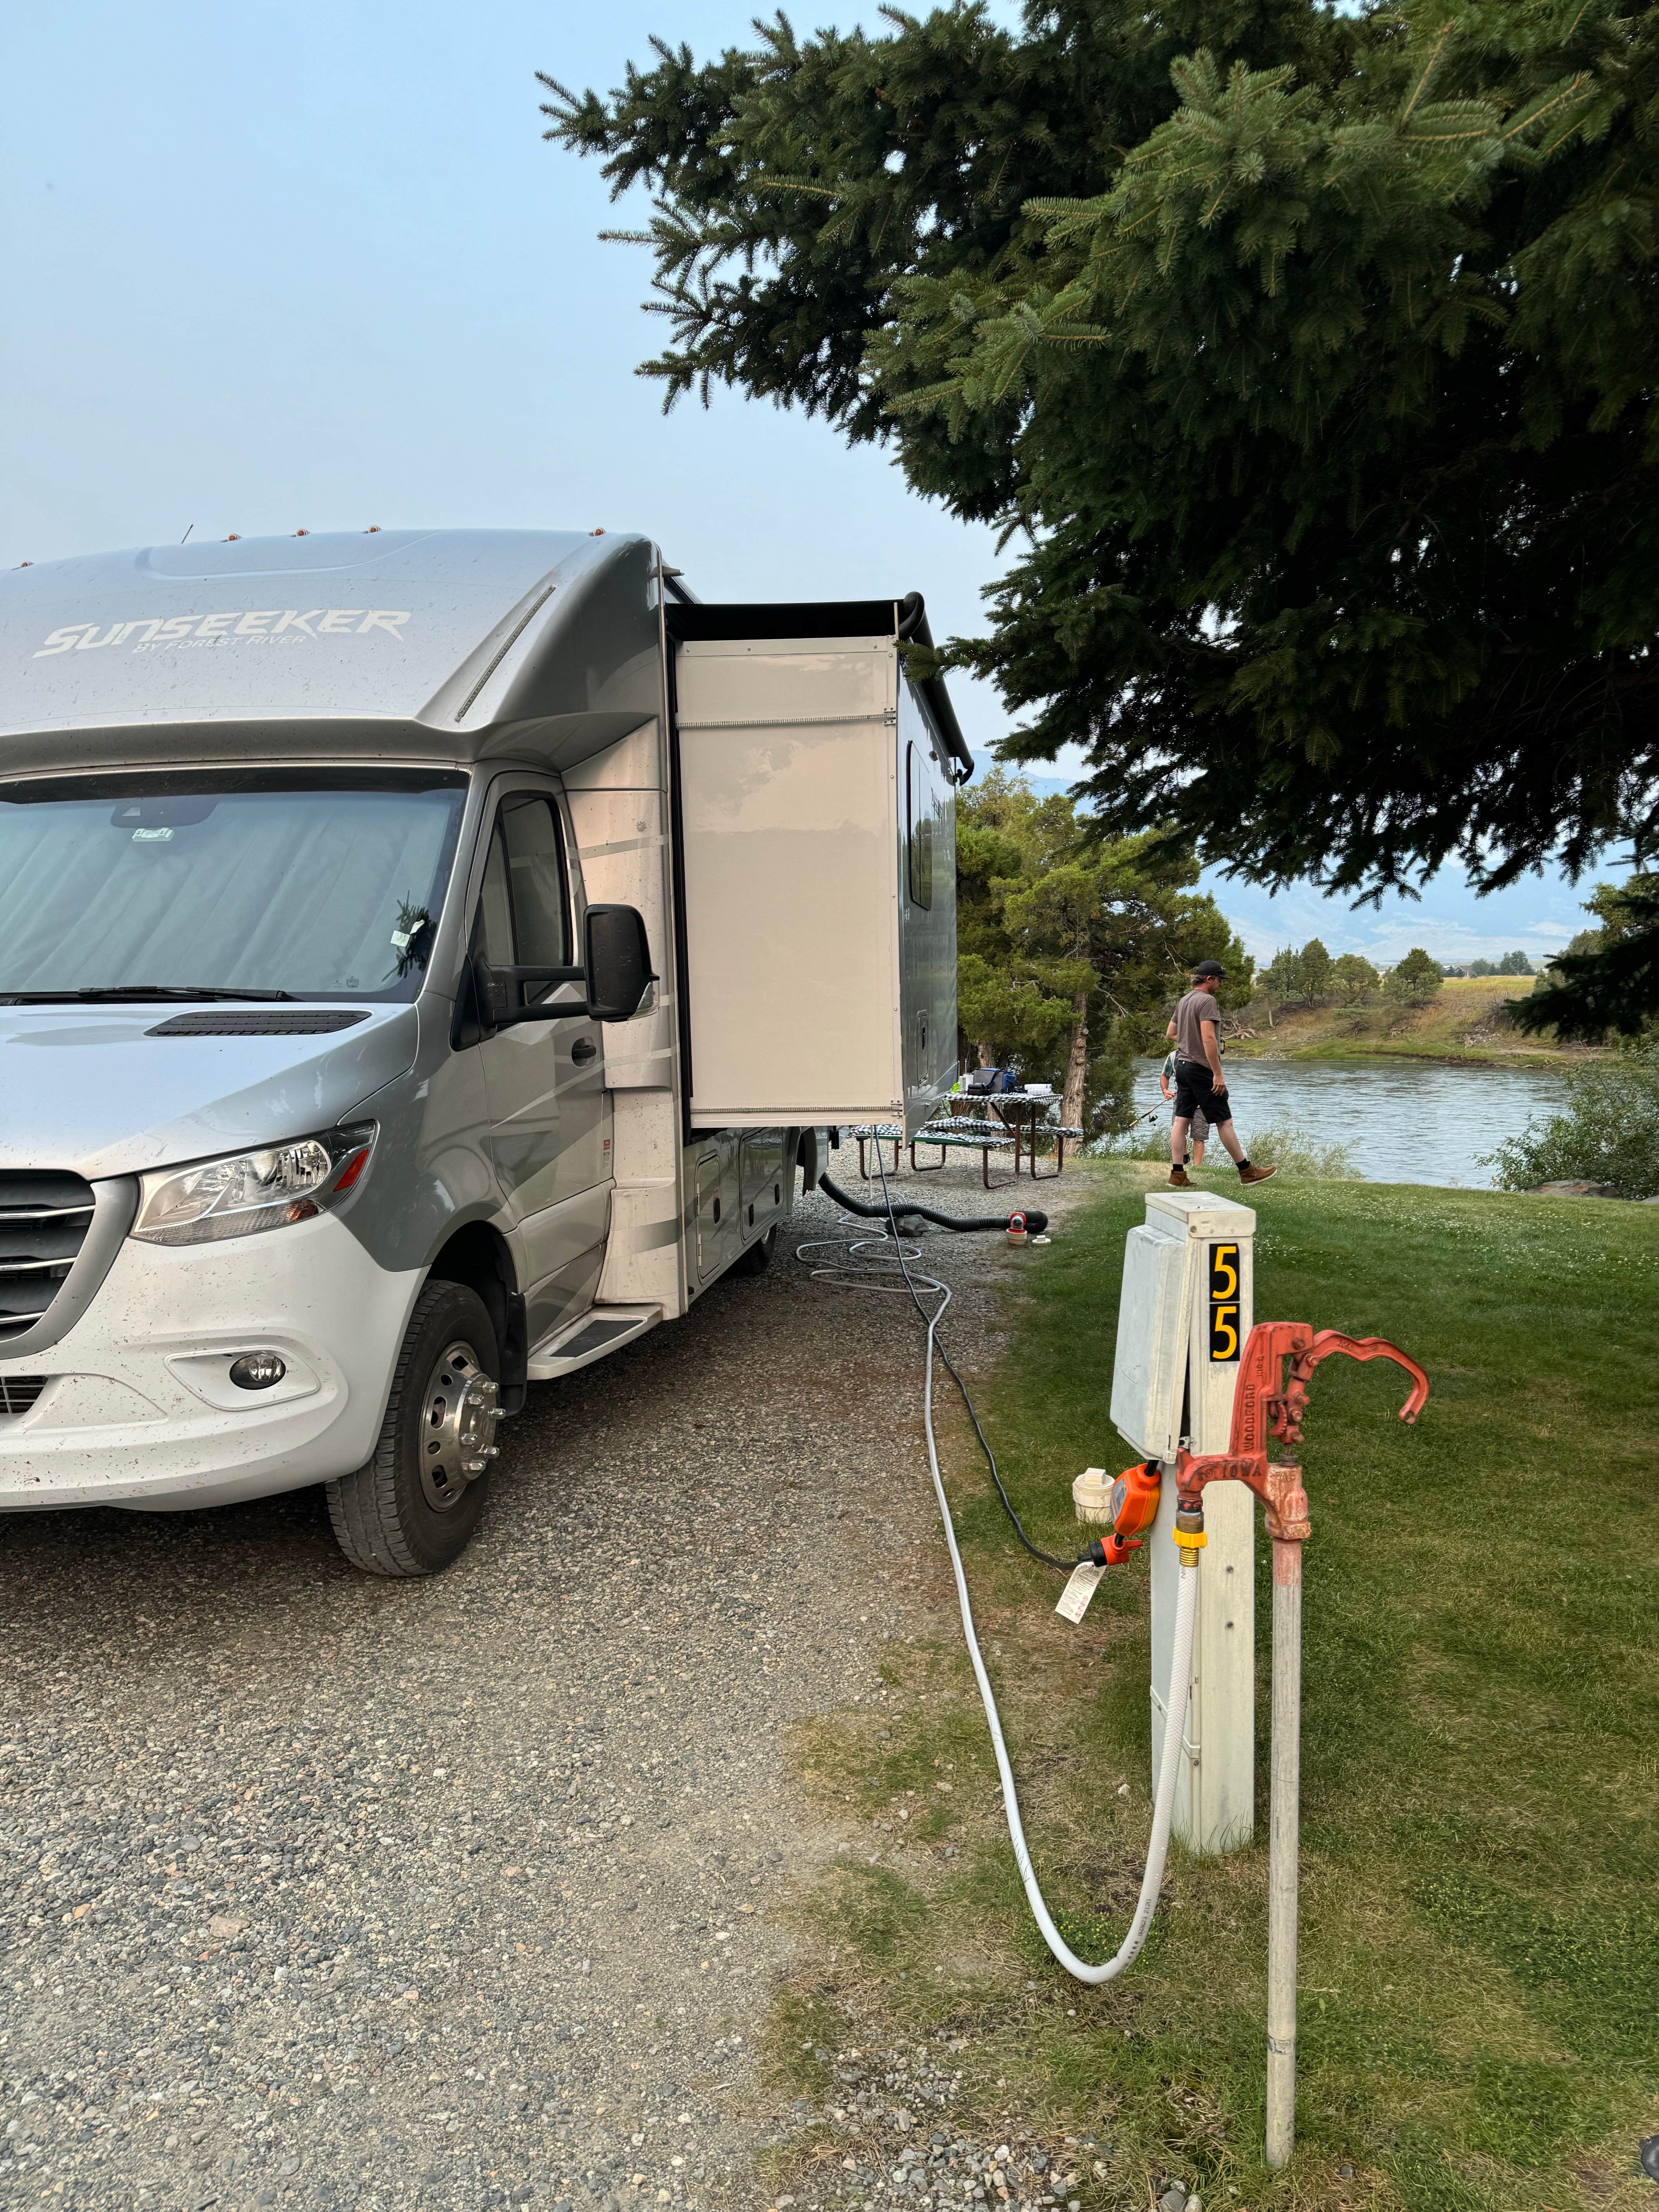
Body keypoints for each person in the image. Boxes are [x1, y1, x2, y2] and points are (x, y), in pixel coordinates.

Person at [1164, 961, 1277, 1187]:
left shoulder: (1185, 1000)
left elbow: (1171, 1033)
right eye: (1219, 980)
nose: (1220, 985)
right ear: (1209, 979)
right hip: (1201, 1069)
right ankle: (1247, 1172)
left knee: (1181, 1120)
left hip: (1183, 1066)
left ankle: (1178, 1175)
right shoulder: (1207, 1001)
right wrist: (1217, 1074)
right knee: (1224, 1122)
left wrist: (1189, 1042)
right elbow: (1208, 1038)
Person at [1160, 1046, 1208, 1166]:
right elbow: (1165, 1075)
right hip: (1181, 1102)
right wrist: (1165, 1091)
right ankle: (1185, 1158)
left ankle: (1198, 1167)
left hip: (1202, 1104)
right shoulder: (1173, 1056)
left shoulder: (1205, 1053)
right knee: (1178, 1133)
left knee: (1199, 1137)